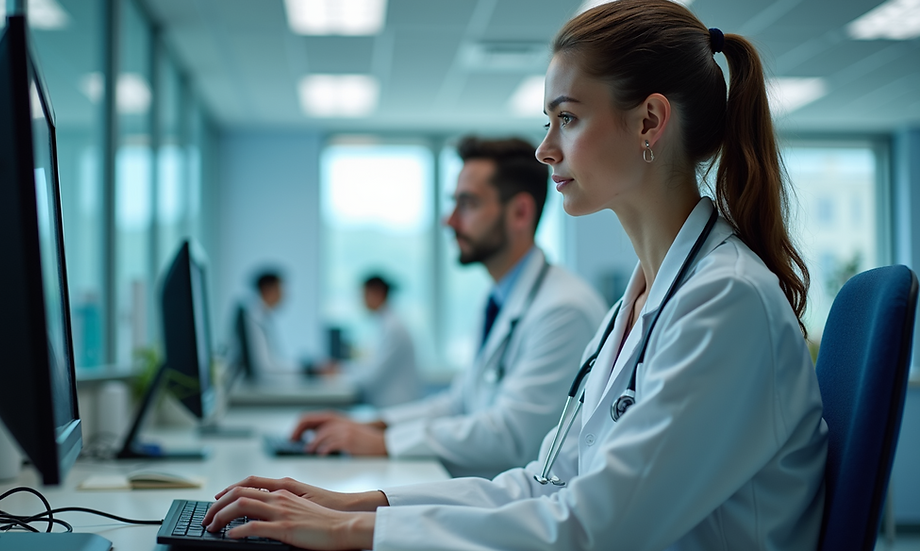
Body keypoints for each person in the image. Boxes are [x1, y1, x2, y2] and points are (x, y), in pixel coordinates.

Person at [201, 1, 829, 548]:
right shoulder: (641, 302)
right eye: (548, 122)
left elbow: (592, 528)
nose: (545, 148)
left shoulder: (726, 301)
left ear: (648, 122)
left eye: (569, 119)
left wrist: (353, 534)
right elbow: (545, 483)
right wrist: (353, 505)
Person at [290, 136, 608, 478]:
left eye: (467, 204)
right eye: (452, 203)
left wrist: (388, 442)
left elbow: (512, 434)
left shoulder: (563, 310)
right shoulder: (498, 300)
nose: (449, 221)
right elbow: (459, 403)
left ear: (520, 212)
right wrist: (373, 425)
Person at [338, 274, 422, 408]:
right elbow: (369, 367)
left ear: (377, 293)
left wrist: (340, 372)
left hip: (397, 407)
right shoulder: (385, 326)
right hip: (388, 406)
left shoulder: (393, 329)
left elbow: (372, 376)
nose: (362, 301)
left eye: (364, 295)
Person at [243, 270, 297, 375]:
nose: (283, 295)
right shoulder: (254, 318)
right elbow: (266, 367)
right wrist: (307, 369)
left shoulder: (263, 317)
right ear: (267, 289)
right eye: (280, 289)